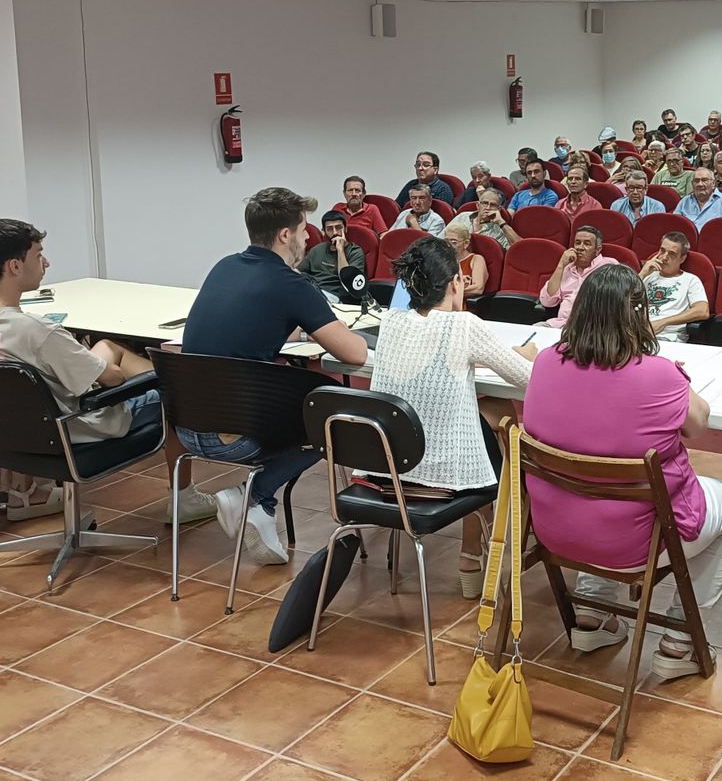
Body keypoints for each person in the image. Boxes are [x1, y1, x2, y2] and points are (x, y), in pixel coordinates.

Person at [521, 263, 722, 677]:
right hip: (636, 543)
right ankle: (680, 640)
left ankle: (591, 615)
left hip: (555, 532)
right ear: (638, 313)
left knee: (591, 481)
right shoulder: (659, 373)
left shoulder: (547, 361)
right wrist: (673, 375)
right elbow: (699, 424)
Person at [173, 189, 369, 559]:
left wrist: (301, 325)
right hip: (234, 437)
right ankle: (255, 494)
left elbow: (261, 320)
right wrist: (330, 325)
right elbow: (355, 353)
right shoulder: (291, 284)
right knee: (332, 416)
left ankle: (260, 508)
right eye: (303, 229)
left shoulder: (224, 266)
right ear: (284, 235)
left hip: (187, 428)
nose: (309, 237)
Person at [0, 218, 170, 523]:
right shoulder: (36, 330)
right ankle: (185, 496)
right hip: (67, 431)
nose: (46, 262)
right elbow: (112, 379)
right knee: (172, 391)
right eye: (38, 255)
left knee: (107, 346)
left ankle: (23, 493)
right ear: (15, 266)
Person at [373, 236, 535, 593]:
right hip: (444, 470)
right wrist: (532, 353)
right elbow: (528, 380)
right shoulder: (464, 326)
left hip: (389, 466)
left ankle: (472, 556)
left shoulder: (392, 322)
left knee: (491, 407)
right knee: (503, 422)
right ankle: (502, 536)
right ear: (455, 282)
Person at [540, 224, 617, 327]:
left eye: (587, 244)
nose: (580, 248)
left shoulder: (609, 266)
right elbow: (547, 302)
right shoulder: (566, 268)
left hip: (592, 327)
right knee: (533, 331)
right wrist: (560, 265)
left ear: (597, 250)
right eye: (577, 243)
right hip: (561, 324)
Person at [638, 233, 710, 341]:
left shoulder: (691, 280)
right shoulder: (647, 276)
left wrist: (664, 322)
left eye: (672, 254)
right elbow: (620, 300)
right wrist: (642, 274)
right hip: (636, 334)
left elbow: (702, 311)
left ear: (682, 259)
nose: (664, 257)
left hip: (667, 336)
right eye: (662, 251)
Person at [296, 210, 366, 303]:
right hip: (310, 290)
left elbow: (350, 283)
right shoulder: (317, 249)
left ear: (345, 229)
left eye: (338, 228)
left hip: (334, 296)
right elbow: (298, 272)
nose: (335, 232)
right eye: (329, 229)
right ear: (324, 231)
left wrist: (340, 250)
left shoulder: (355, 251)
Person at [451, 188, 516, 250]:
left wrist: (501, 222)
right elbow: (442, 239)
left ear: (498, 209)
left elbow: (517, 247)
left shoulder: (498, 230)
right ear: (478, 205)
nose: (488, 207)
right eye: (485, 203)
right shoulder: (462, 217)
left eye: (493, 205)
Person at [445, 221, 488, 296]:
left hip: (463, 303)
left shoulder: (476, 259)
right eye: (446, 241)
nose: (448, 246)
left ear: (466, 243)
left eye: (453, 242)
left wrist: (447, 292)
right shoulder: (442, 259)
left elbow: (478, 289)